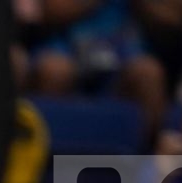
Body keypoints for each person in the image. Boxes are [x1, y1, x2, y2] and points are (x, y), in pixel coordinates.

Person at [28, 0, 170, 136]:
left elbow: (170, 19)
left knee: (148, 72)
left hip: (122, 63)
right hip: (66, 51)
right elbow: (51, 10)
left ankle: (149, 156)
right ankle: (50, 155)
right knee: (55, 71)